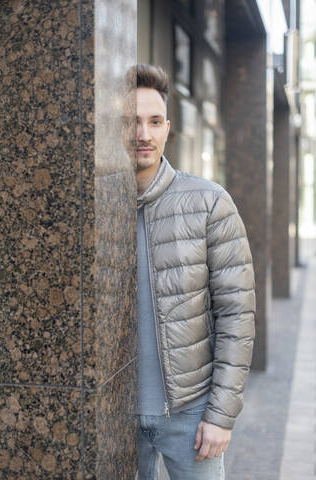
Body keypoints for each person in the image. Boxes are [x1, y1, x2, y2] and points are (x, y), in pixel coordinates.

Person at [124, 64, 256, 480]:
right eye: (132, 121)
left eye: (154, 121)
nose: (143, 133)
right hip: (114, 418)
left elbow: (237, 315)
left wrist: (221, 415)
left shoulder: (209, 203)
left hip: (190, 415)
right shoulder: (95, 207)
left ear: (167, 128)